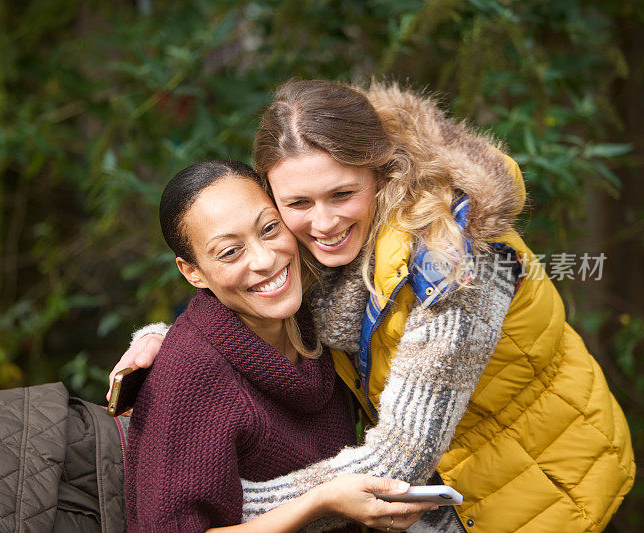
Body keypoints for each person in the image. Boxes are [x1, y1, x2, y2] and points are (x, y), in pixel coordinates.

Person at [113, 80, 635, 532]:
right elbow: (247, 278)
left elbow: (398, 461)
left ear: (381, 174)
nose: (322, 223)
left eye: (341, 195)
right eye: (296, 204)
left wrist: (236, 504)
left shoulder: (457, 267)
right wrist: (166, 338)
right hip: (461, 478)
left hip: (544, 483)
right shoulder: (326, 246)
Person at [123, 159, 435, 532]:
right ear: (193, 272)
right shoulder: (191, 372)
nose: (265, 259)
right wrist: (318, 502)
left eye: (270, 228)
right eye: (230, 252)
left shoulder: (320, 311)